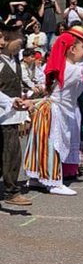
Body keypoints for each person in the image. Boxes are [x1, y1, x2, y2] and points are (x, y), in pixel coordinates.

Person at [23, 26, 83, 195]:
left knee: (44, 144)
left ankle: (37, 178)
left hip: (54, 109)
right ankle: (53, 182)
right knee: (53, 145)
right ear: (71, 49)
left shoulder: (65, 64)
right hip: (55, 111)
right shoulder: (70, 68)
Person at [0, 28, 31, 207]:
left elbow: (16, 85)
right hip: (4, 113)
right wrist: (10, 102)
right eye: (17, 44)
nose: (20, 48)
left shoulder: (15, 61)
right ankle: (11, 191)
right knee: (11, 153)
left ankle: (10, 188)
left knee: (8, 152)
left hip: (12, 114)